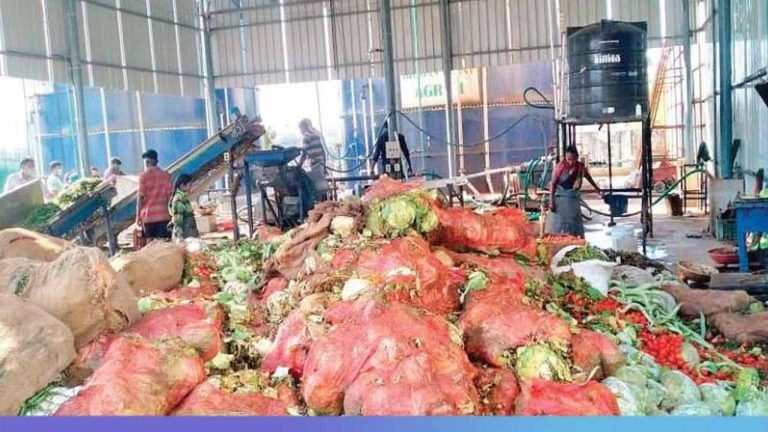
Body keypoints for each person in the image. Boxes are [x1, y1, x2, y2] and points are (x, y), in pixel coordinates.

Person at [545, 145, 602, 238]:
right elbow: (553, 184)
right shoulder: (560, 167)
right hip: (559, 199)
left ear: (577, 158)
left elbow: (588, 176)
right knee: (558, 228)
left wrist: (596, 188)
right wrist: (551, 202)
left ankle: (576, 239)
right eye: (568, 159)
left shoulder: (580, 167)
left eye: (573, 159)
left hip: (572, 199)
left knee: (574, 226)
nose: (571, 162)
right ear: (565, 158)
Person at [136, 149, 172, 239]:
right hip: (163, 215)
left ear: (147, 162)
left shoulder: (143, 176)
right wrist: (170, 213)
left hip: (148, 216)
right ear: (157, 161)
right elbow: (169, 196)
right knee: (162, 243)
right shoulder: (166, 175)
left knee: (150, 244)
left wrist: (138, 216)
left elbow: (140, 197)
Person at [297, 118, 329, 201]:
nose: (300, 132)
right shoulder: (317, 134)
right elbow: (323, 151)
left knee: (317, 189)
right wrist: (324, 166)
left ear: (303, 127)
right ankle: (325, 205)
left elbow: (304, 152)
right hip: (321, 163)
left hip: (315, 164)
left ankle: (320, 207)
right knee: (322, 187)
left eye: (300, 129)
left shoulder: (306, 135)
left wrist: (298, 165)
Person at [168, 174, 199, 242]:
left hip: (189, 232)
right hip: (185, 234)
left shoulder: (183, 198)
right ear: (182, 186)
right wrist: (179, 237)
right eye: (189, 185)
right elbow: (178, 220)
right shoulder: (179, 199)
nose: (191, 187)